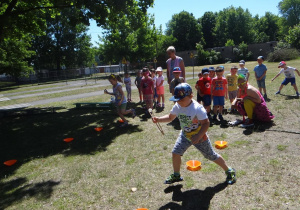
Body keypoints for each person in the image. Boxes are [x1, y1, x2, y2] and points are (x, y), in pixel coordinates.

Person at [152, 83, 236, 185]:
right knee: (175, 152)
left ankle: (229, 170)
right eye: (177, 99)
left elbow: (206, 123)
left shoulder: (197, 108)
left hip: (199, 136)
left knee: (211, 155)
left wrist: (199, 135)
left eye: (182, 99)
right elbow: (170, 117)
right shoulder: (177, 106)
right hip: (185, 135)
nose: (179, 102)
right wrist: (159, 119)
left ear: (191, 96)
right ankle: (176, 175)